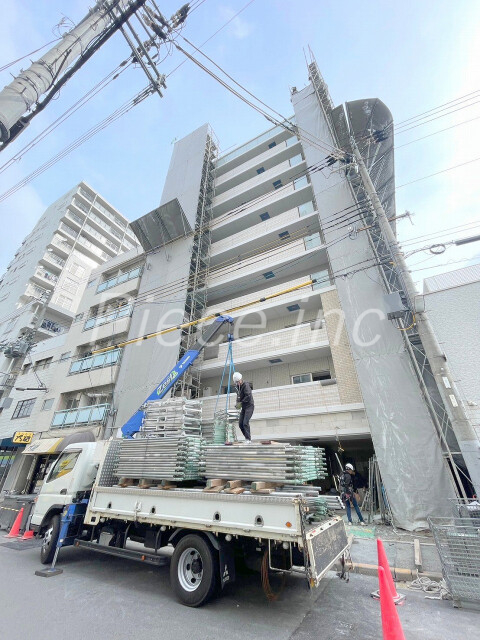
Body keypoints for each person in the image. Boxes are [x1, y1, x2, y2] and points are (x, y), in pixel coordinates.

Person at [233, 371, 254, 443]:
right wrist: (237, 403)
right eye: (236, 382)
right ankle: (247, 438)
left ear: (240, 380)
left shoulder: (246, 385)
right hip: (244, 407)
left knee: (245, 422)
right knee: (240, 424)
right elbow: (238, 397)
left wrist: (241, 403)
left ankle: (248, 439)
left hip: (249, 406)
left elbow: (248, 396)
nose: (237, 383)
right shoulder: (238, 387)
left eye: (237, 382)